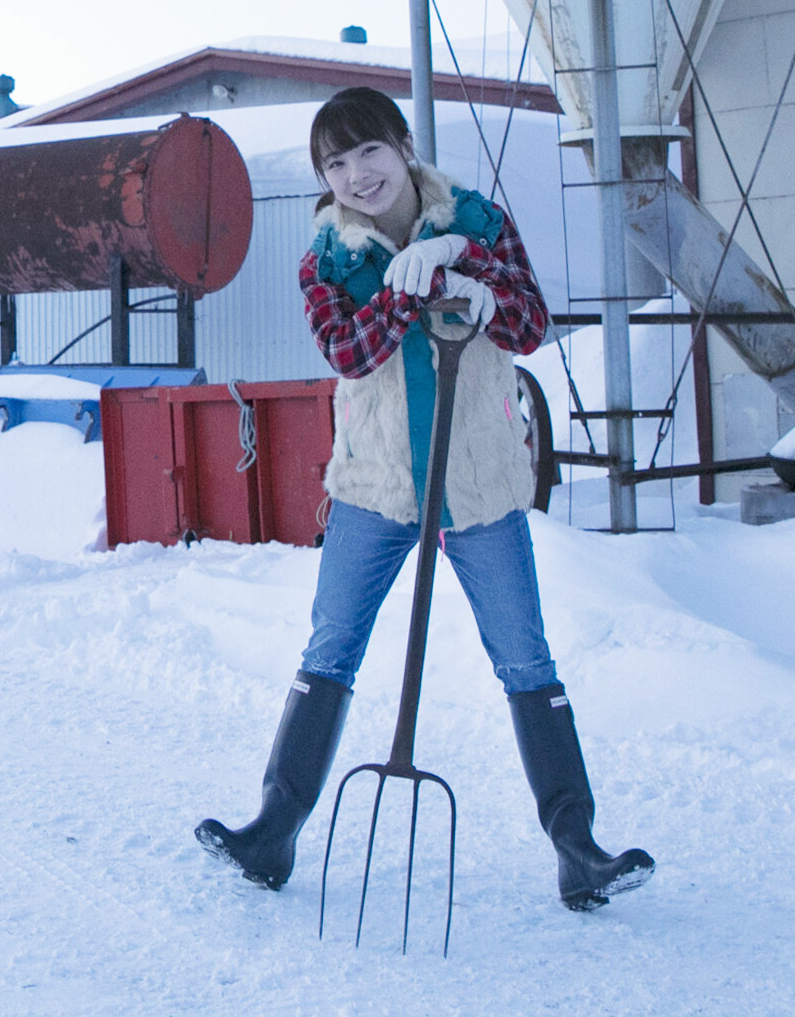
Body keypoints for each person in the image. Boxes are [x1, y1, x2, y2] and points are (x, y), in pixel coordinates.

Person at [194, 86, 653, 912]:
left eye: (368, 151)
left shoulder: (479, 223)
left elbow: (530, 325)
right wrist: (404, 290)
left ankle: (576, 846)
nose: (356, 174)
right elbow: (348, 349)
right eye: (335, 163)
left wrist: (470, 281)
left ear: (404, 146)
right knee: (330, 647)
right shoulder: (327, 259)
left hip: (477, 479)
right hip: (375, 483)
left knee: (524, 655)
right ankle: (273, 830)